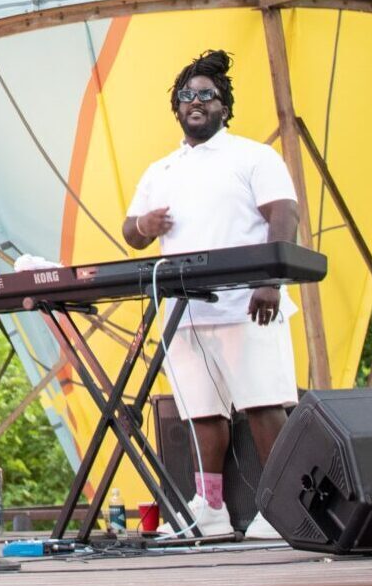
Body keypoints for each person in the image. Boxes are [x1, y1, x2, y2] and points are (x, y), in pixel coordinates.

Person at [123, 49, 299, 541]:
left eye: (207, 94)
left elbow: (284, 216)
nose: (196, 100)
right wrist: (143, 224)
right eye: (187, 95)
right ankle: (212, 509)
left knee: (264, 405)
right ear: (177, 107)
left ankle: (281, 508)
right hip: (186, 311)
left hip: (247, 304)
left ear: (224, 106)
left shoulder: (253, 156)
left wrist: (269, 280)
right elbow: (131, 233)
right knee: (202, 412)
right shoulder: (161, 170)